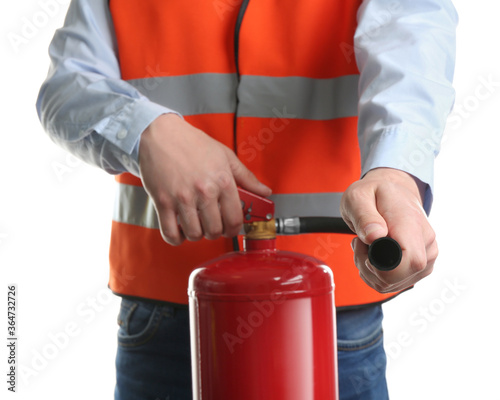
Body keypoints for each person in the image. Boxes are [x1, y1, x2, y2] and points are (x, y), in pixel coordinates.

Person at [36, 0, 457, 399]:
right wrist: (148, 132)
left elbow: (413, 41)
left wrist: (398, 173)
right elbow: (67, 84)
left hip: (330, 319)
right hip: (163, 318)